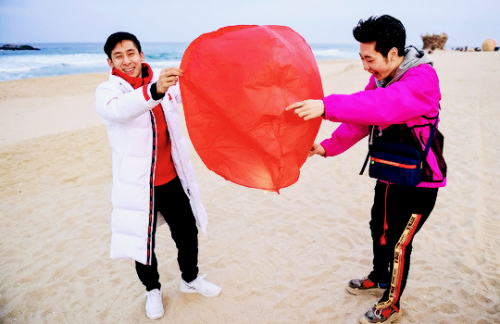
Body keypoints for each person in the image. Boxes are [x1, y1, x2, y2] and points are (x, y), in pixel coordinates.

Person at [286, 15, 446, 324]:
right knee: (379, 228)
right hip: (389, 169)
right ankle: (378, 277)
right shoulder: (380, 78)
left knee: (400, 243)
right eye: (361, 58)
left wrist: (325, 106)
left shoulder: (422, 80)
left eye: (369, 58)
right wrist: (326, 146)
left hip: (421, 180)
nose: (365, 66)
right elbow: (362, 119)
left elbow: (384, 105)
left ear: (393, 54)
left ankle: (392, 303)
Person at [95, 32, 221, 320]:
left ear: (141, 55)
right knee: (143, 243)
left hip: (172, 179)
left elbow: (200, 90)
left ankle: (190, 279)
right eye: (119, 56)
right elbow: (120, 110)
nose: (126, 61)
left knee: (187, 234)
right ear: (110, 61)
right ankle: (152, 290)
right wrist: (154, 91)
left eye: (131, 53)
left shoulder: (165, 86)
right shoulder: (107, 92)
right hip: (140, 187)